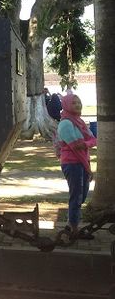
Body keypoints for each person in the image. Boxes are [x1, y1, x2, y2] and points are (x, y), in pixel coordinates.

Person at [56, 93, 97, 236]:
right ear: (66, 105)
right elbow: (77, 148)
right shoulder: (66, 123)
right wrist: (88, 168)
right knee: (77, 196)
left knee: (82, 195)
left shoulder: (79, 122)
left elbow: (93, 140)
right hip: (73, 164)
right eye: (73, 103)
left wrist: (85, 144)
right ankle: (74, 229)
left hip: (82, 162)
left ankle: (70, 223)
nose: (77, 105)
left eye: (79, 102)